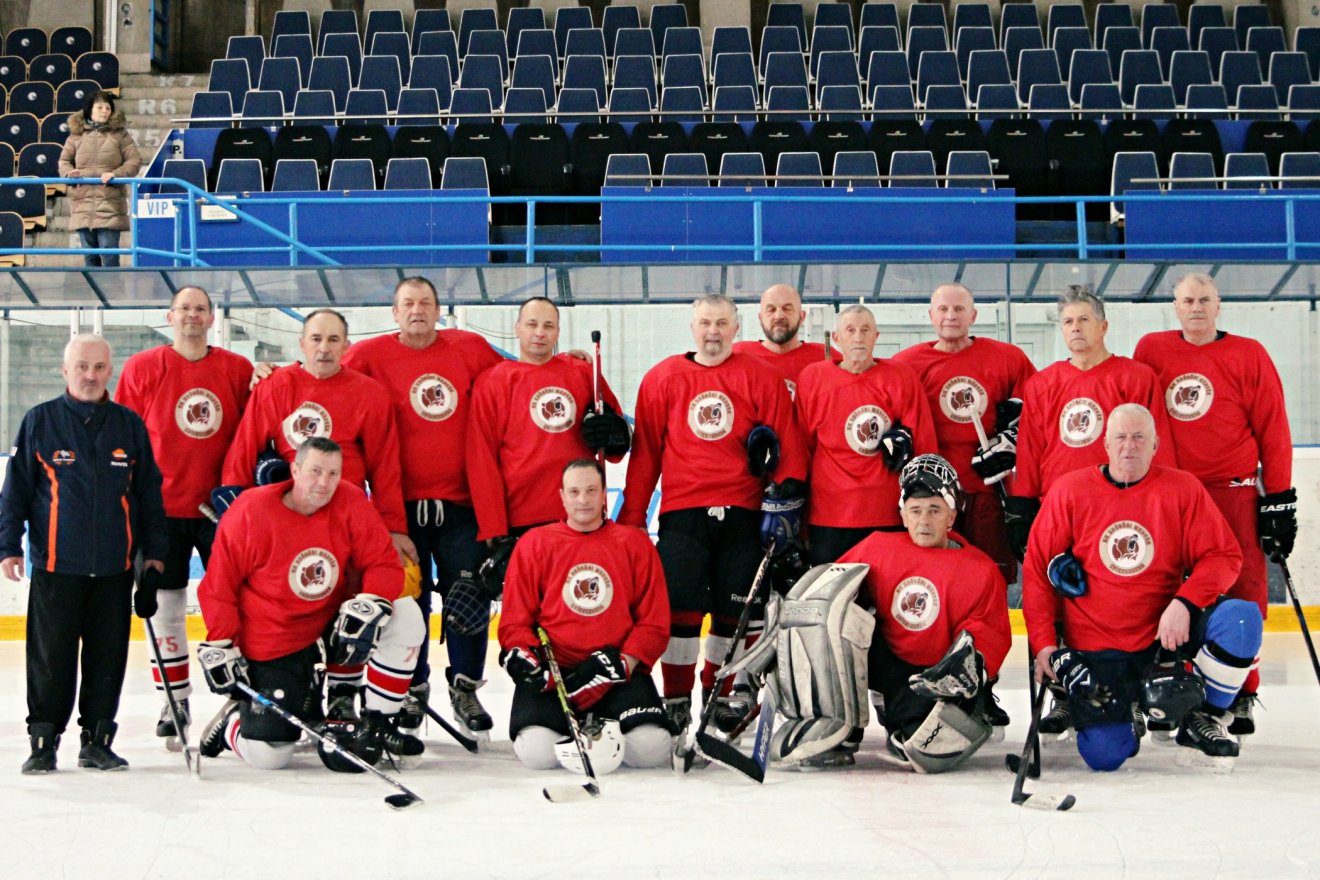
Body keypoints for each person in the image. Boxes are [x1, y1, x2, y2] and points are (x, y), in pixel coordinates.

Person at [1022, 404, 1260, 770]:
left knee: (1241, 619)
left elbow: (1224, 556)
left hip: (1165, 641)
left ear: (1155, 444)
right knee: (1104, 755)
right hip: (1097, 647)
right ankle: (1125, 709)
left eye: (1138, 438)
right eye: (1120, 437)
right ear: (1104, 443)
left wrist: (1185, 601)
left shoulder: (1182, 489)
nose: (1128, 447)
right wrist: (1044, 646)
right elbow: (1038, 570)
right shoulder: (1069, 491)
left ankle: (1204, 716)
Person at [619, 294, 809, 737]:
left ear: (736, 328)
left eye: (722, 323)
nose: (713, 331)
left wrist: (785, 504)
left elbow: (789, 447)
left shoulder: (761, 377)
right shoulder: (662, 378)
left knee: (732, 613)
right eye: (705, 322)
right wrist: (630, 520)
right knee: (680, 612)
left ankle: (720, 694)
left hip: (744, 513)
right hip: (683, 514)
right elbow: (646, 455)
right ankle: (677, 697)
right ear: (692, 327)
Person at [217, 309, 416, 719]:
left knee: (364, 611)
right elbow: (243, 451)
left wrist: (393, 528)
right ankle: (280, 694)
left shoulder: (368, 393)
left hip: (346, 522)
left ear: (346, 347)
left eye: (333, 340)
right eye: (316, 339)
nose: (324, 348)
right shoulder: (275, 387)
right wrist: (234, 513)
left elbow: (385, 467)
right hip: (285, 521)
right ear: (302, 344)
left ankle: (347, 694)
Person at [195, 437, 425, 771]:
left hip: (330, 623)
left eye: (333, 473)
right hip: (274, 638)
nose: (324, 482)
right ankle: (234, 723)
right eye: (315, 471)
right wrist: (222, 641)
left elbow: (383, 563)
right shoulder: (251, 510)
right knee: (270, 756)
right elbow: (219, 586)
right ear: (294, 469)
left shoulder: (350, 500)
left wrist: (372, 601)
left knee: (405, 615)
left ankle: (377, 724)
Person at [1133, 273, 1296, 735]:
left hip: (1234, 492)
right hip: (1170, 492)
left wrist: (1279, 499)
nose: (1197, 307)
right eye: (1188, 300)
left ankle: (1243, 692)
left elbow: (1273, 428)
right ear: (1175, 305)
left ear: (1219, 304)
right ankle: (1166, 684)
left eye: (1205, 299)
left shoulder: (1249, 354)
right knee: (1165, 589)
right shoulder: (1151, 349)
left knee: (1244, 589)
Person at [341, 276, 503, 735]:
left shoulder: (469, 347)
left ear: (439, 310)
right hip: (399, 510)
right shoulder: (368, 356)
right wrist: (271, 372)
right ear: (394, 313)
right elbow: (323, 373)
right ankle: (412, 690)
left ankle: (465, 686)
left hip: (461, 505)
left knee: (467, 599)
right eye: (408, 303)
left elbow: (515, 378)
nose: (417, 310)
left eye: (426, 302)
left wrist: (566, 361)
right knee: (408, 602)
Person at [0, 333, 167, 774]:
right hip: (57, 568)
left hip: (115, 570)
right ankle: (43, 741)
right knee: (50, 661)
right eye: (81, 367)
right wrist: (8, 546)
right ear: (65, 371)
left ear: (110, 370)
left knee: (107, 660)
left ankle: (97, 741)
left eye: (98, 367)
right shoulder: (40, 421)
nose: (90, 375)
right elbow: (14, 492)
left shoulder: (128, 425)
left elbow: (149, 494)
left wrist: (154, 557)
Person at [115, 285, 253, 746]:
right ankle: (173, 700)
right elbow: (124, 441)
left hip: (222, 512)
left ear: (212, 318)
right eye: (184, 309)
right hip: (160, 513)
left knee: (237, 603)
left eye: (201, 309)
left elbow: (253, 429)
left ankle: (244, 693)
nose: (192, 316)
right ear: (169, 317)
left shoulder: (237, 369)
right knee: (164, 607)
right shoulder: (142, 368)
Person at [822, 454, 1012, 771]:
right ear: (903, 515)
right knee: (840, 621)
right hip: (888, 661)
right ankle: (841, 722)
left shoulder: (980, 570)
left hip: (930, 676)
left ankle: (907, 711)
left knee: (921, 742)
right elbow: (830, 592)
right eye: (916, 510)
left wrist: (969, 666)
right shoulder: (877, 547)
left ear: (952, 516)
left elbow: (989, 636)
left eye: (935, 510)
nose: (924, 520)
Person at [497, 460, 673, 772]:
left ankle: (597, 732)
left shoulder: (634, 543)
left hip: (616, 674)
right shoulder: (534, 544)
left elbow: (653, 622)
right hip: (557, 678)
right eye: (575, 491)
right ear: (561, 496)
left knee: (651, 750)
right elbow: (515, 622)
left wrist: (622, 663)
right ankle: (577, 731)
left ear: (605, 494)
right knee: (537, 753)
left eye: (591, 490)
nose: (583, 499)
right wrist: (527, 660)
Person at [1009, 286, 1174, 561]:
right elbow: (1030, 449)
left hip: (1121, 503)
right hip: (1058, 505)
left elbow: (1157, 444)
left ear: (1103, 326)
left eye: (1084, 320)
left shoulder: (1135, 377)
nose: (1076, 328)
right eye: (1068, 322)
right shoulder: (1041, 384)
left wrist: (1164, 500)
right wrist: (1022, 507)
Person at [892, 283, 1037, 581]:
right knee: (937, 573)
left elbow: (1038, 414)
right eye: (943, 309)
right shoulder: (905, 365)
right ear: (931, 315)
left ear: (973, 315)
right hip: (933, 493)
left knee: (990, 574)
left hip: (990, 490)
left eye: (959, 309)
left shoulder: (1008, 358)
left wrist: (1012, 440)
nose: (951, 316)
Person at [796, 304, 938, 563]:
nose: (858, 337)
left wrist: (923, 511)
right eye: (850, 330)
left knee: (886, 597)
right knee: (833, 601)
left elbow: (925, 449)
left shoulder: (901, 377)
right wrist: (801, 519)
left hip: (888, 513)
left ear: (877, 336)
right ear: (837, 338)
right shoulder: (813, 379)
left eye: (865, 330)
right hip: (830, 515)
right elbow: (801, 451)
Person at [58, 90, 141, 268]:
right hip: (82, 203)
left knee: (109, 252)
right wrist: (69, 173)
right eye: (100, 107)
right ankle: (93, 294)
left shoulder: (120, 134)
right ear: (90, 110)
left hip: (110, 203)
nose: (105, 111)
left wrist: (115, 174)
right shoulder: (76, 135)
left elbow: (134, 161)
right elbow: (64, 161)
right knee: (90, 257)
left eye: (108, 107)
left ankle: (111, 292)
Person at [731, 283, 829, 399]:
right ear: (760, 318)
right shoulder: (737, 354)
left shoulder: (826, 356)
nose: (778, 316)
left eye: (787, 309)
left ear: (802, 317)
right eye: (771, 310)